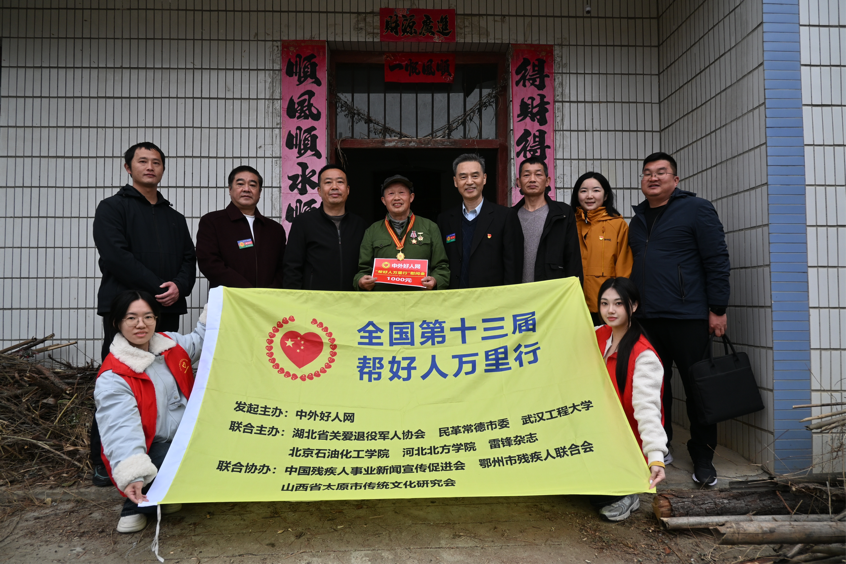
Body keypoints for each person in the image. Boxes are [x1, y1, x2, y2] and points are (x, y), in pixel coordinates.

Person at [92, 141, 196, 486]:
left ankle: (161, 454)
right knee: (120, 382)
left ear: (163, 169)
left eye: (156, 162)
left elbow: (188, 259)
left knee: (165, 383)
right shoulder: (112, 208)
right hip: (128, 312)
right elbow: (115, 255)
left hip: (166, 308)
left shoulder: (174, 217)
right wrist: (156, 289)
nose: (150, 167)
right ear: (128, 168)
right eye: (142, 161)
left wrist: (179, 286)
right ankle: (105, 461)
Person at [629, 152, 730, 487]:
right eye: (647, 173)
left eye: (661, 172)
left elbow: (717, 258)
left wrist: (718, 308)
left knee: (697, 387)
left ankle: (703, 456)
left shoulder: (696, 209)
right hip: (647, 317)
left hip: (688, 315)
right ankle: (662, 447)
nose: (653, 178)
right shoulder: (637, 219)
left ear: (675, 180)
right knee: (655, 388)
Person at [94, 289, 206, 533]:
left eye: (148, 317)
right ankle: (135, 505)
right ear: (117, 322)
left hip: (185, 438)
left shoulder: (171, 345)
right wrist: (133, 474)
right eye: (131, 318)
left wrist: (217, 308)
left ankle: (167, 492)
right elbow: (121, 428)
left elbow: (202, 339)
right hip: (152, 447)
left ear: (156, 318)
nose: (141, 324)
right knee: (164, 456)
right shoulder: (114, 375)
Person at [592, 277, 667, 521]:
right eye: (604, 303)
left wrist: (656, 457)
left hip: (625, 442)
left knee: (596, 494)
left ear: (633, 306)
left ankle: (627, 493)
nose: (610, 310)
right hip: (598, 432)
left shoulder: (643, 356)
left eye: (618, 303)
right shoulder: (598, 335)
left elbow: (648, 410)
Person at [354, 175, 450, 291]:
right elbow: (363, 270)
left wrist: (436, 281)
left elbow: (441, 267)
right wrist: (360, 281)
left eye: (401, 193)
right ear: (383, 200)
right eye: (391, 193)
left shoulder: (430, 227)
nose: (397, 198)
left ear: (411, 197)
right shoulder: (372, 231)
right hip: (383, 300)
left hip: (420, 299)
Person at [196, 165, 287, 288]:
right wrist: (247, 291)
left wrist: (267, 292)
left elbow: (283, 267)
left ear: (259, 192)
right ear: (230, 189)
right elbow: (209, 263)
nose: (247, 189)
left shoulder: (275, 229)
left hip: (267, 298)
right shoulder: (213, 222)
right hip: (229, 297)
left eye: (253, 185)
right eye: (240, 184)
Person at [437, 154, 515, 289]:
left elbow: (512, 265)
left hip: (490, 297)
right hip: (454, 297)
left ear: (484, 178)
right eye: (463, 177)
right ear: (455, 181)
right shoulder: (445, 219)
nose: (469, 182)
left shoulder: (505, 216)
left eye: (475, 176)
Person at [283, 164, 366, 290]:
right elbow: (292, 267)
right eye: (328, 182)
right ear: (319, 191)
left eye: (340, 182)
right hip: (315, 299)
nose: (334, 187)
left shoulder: (360, 225)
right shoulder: (303, 222)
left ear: (348, 189)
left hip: (351, 298)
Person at [570, 172, 633, 325]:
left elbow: (623, 265)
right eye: (583, 191)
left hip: (605, 305)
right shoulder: (569, 223)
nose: (589, 196)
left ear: (605, 196)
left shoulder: (618, 224)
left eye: (596, 190)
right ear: (577, 195)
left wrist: (619, 301)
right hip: (572, 303)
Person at [510, 156, 583, 284]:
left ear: (547, 181)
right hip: (517, 291)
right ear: (519, 182)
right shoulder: (510, 216)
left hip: (552, 290)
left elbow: (573, 258)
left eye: (538, 174)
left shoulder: (563, 214)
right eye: (526, 175)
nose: (532, 179)